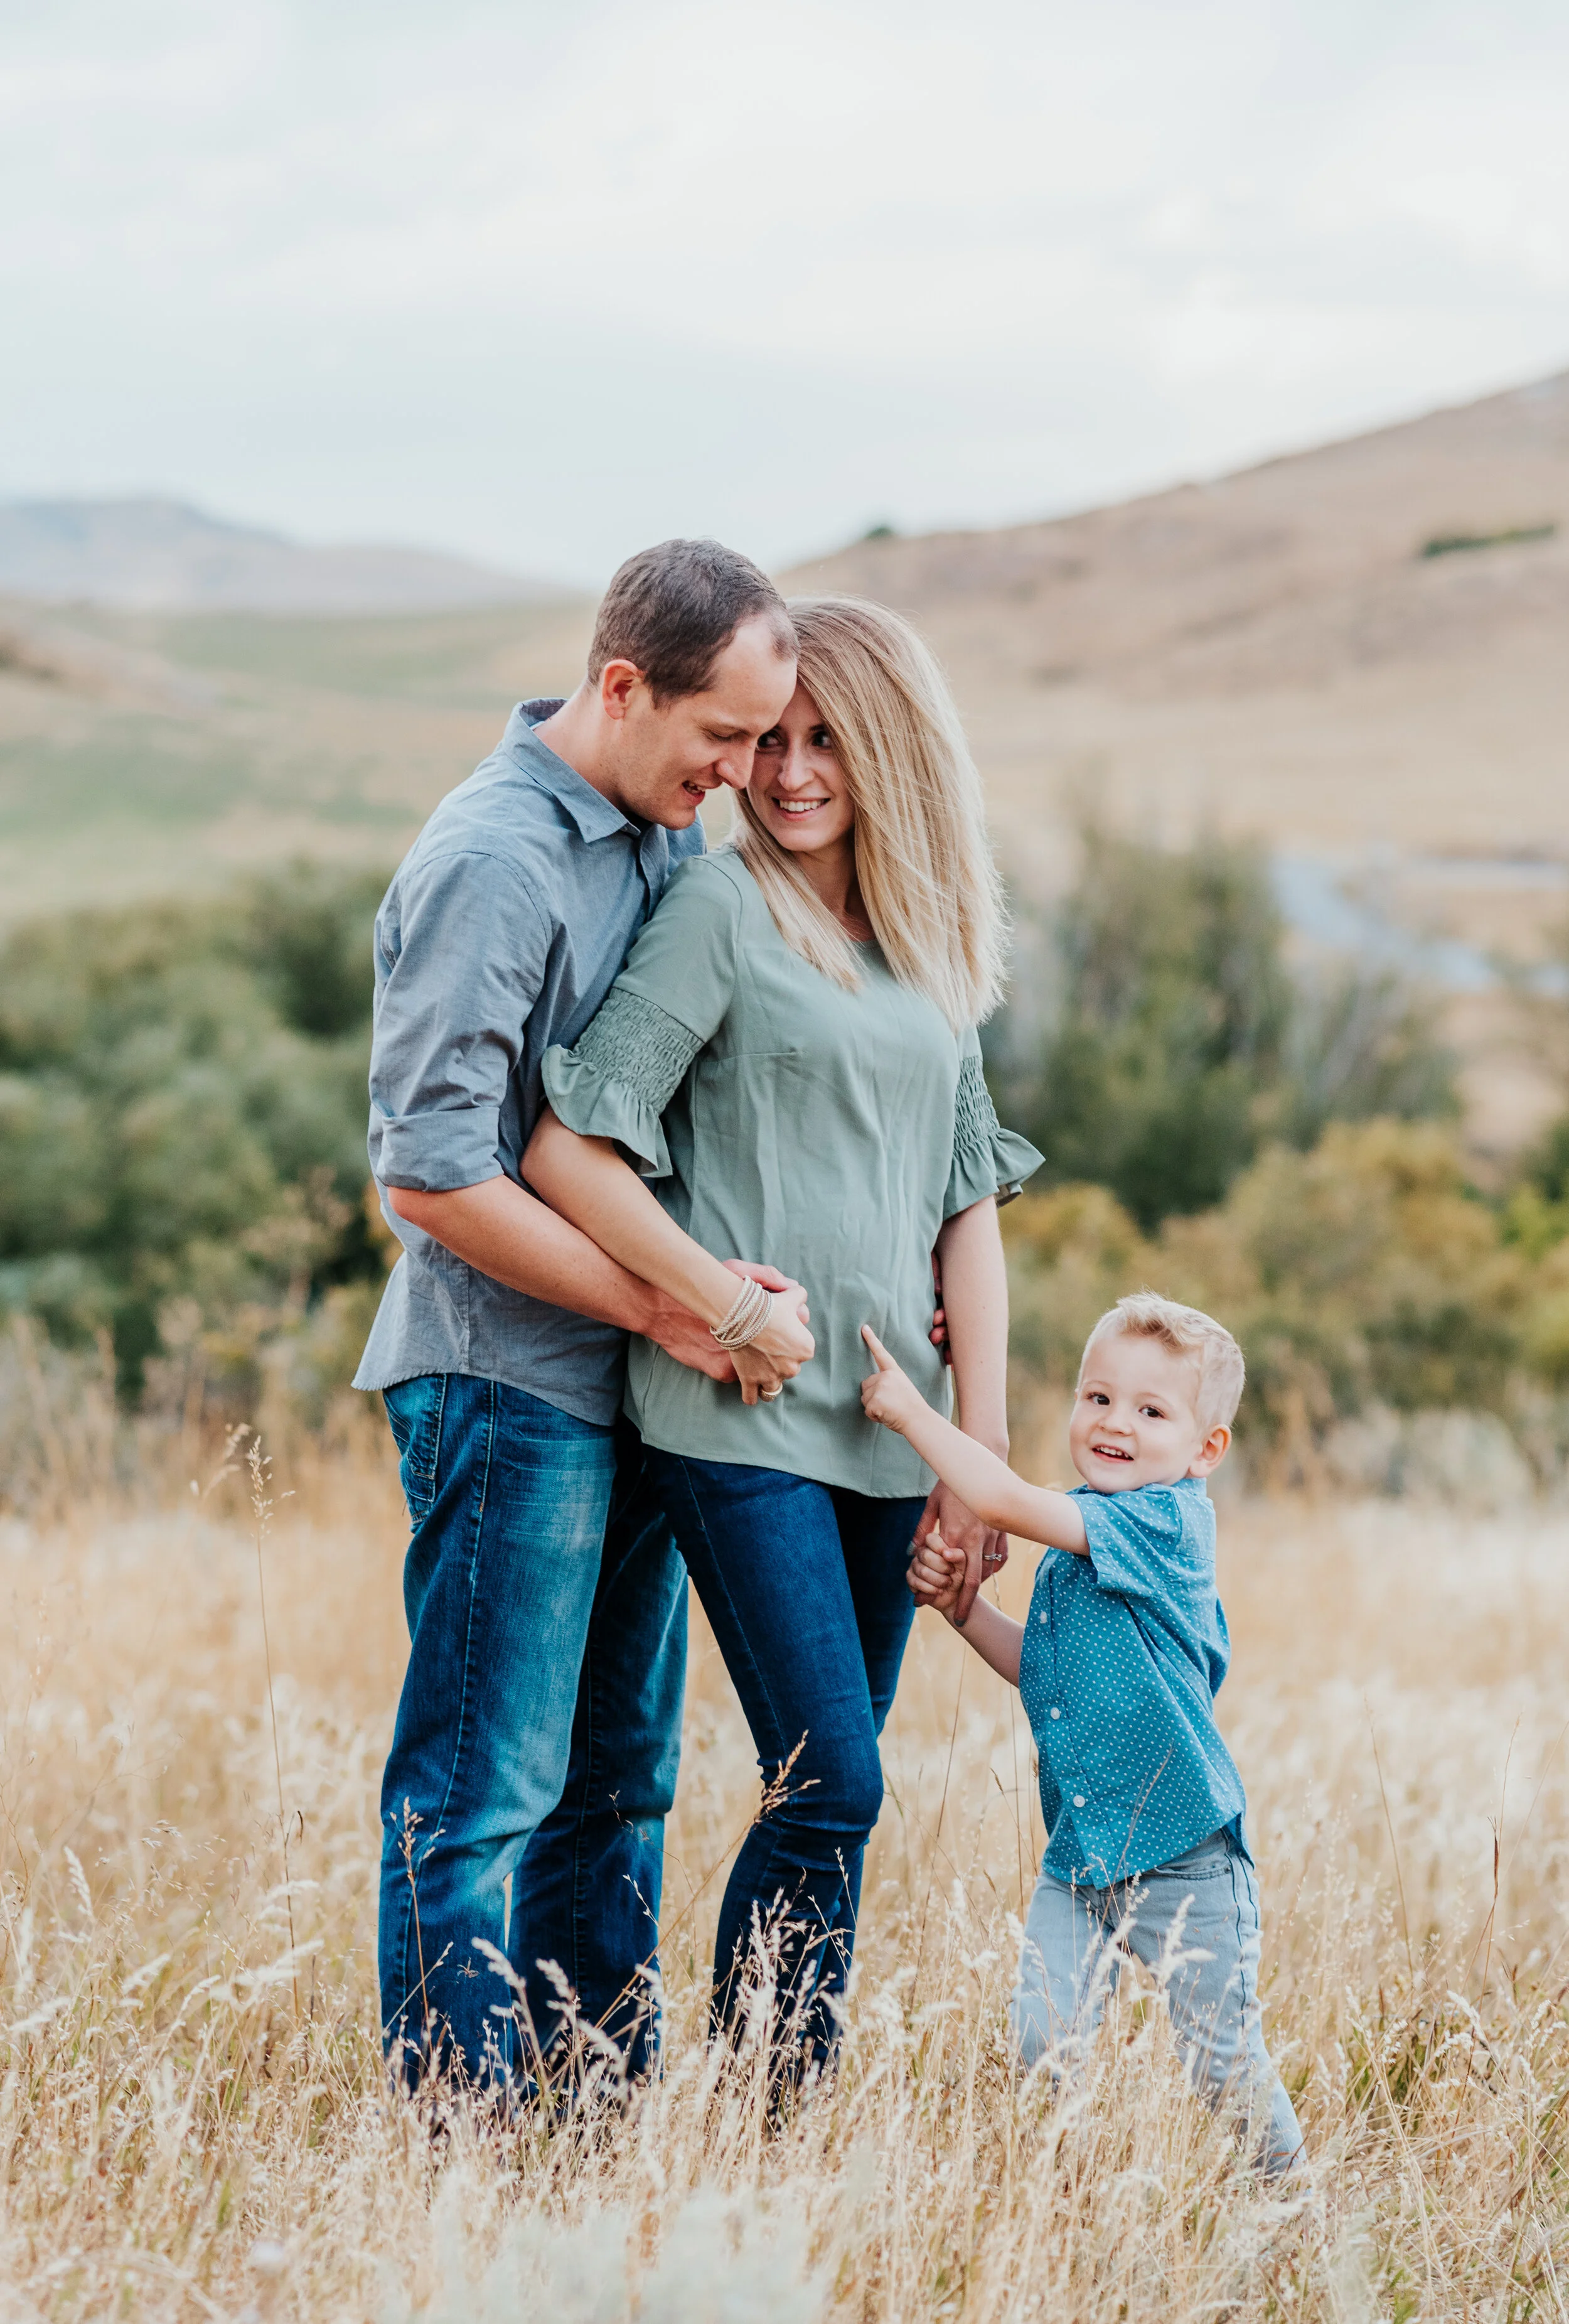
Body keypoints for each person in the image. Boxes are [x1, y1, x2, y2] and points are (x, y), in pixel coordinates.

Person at [525, 596, 1042, 2082]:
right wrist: (714, 1301)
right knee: (834, 1782)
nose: (791, 772)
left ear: (895, 755)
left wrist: (979, 1458)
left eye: (827, 741)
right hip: (735, 1415)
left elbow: (969, 1212)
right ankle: (763, 2112)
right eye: (770, 740)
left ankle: (766, 2129)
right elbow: (572, 1145)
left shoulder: (932, 950)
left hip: (892, 1432)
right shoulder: (721, 905)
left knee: (825, 1787)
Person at [353, 538, 808, 2102]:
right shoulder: (496, 859)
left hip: (633, 1389)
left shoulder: (661, 835)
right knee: (480, 1791)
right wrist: (671, 1307)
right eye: (720, 737)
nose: (744, 772)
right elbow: (431, 1177)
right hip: (503, 1384)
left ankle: (595, 2117)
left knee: (616, 1786)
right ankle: (463, 2147)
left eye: (764, 739)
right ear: (621, 688)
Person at [859, 1291, 1305, 2175]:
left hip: (1184, 1853)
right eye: (1097, 1397)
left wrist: (916, 1412)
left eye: (1151, 1410)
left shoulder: (1162, 1522)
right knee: (1043, 2040)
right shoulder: (1082, 1533)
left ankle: (1295, 2212)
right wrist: (962, 1609)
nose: (1115, 1424)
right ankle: (1068, 2203)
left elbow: (995, 1493)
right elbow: (1050, 1675)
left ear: (1204, 1449)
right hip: (1082, 1855)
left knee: (1224, 2066)